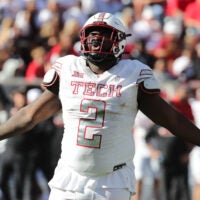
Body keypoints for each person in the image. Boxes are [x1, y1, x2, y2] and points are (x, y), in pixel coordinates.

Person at [0, 12, 200, 200]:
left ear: (120, 40)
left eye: (104, 34)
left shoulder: (132, 74)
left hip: (112, 181)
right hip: (68, 177)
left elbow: (172, 120)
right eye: (92, 34)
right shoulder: (68, 69)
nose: (96, 39)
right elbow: (30, 116)